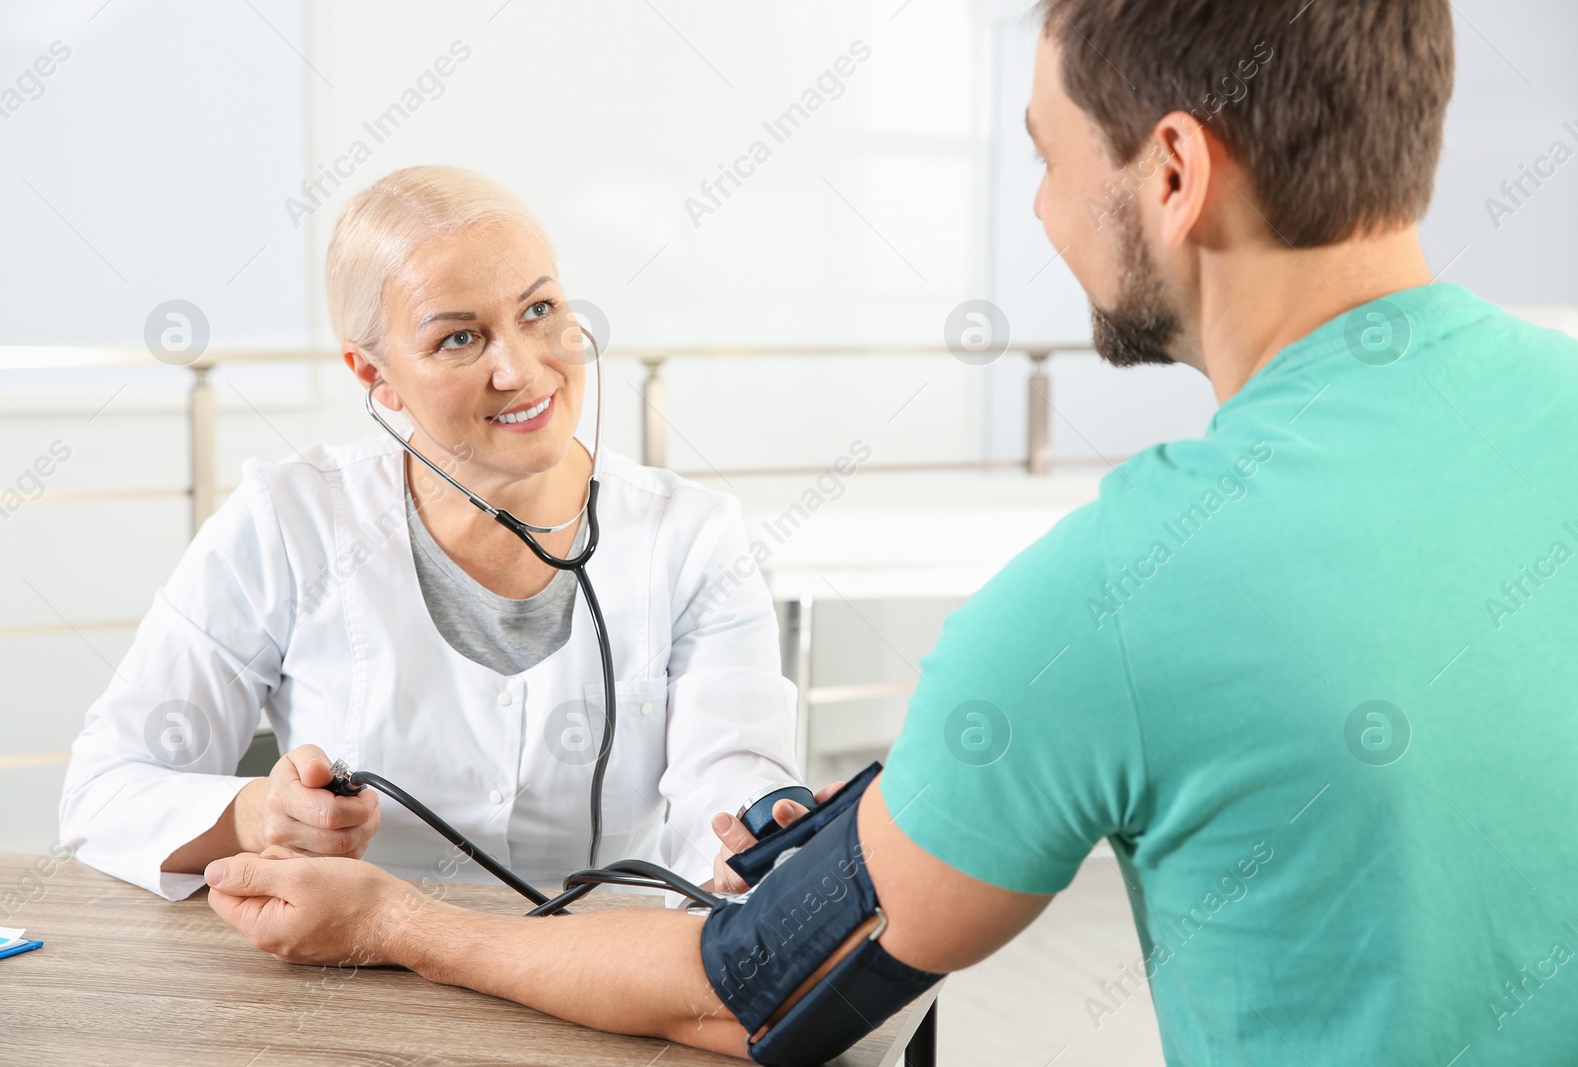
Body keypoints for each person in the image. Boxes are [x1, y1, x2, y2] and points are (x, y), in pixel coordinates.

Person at [202, 2, 1578, 1063]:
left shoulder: (1108, 597)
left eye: (1046, 157)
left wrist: (394, 921)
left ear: (1171, 173)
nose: (1037, 208)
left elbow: (758, 989)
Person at [59, 165, 802, 903]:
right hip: (358, 978)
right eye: (459, 339)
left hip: (599, 983)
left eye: (539, 309)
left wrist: (757, 836)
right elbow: (103, 792)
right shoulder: (288, 521)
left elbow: (733, 782)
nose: (519, 367)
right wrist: (256, 814)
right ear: (375, 376)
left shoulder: (694, 536)